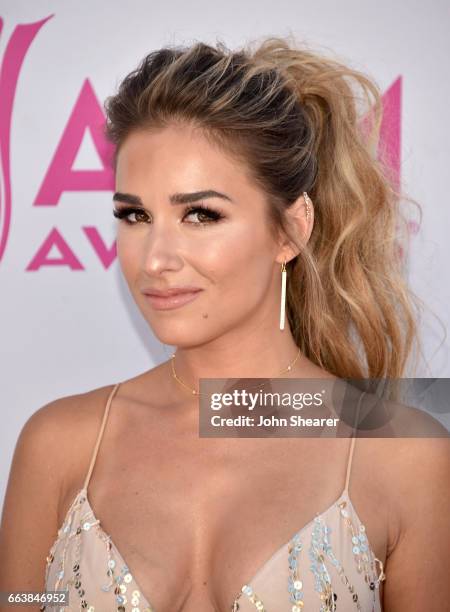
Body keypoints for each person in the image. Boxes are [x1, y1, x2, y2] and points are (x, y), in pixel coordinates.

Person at [0, 35, 448, 612]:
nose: (155, 258)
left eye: (200, 214)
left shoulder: (405, 456)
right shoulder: (58, 446)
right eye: (135, 215)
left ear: (290, 229)